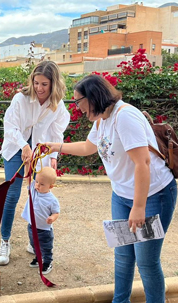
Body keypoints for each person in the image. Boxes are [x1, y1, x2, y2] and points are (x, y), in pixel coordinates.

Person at [45, 74, 177, 303]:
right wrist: (55, 147)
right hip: (122, 196)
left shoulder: (124, 117)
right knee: (124, 255)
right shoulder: (102, 119)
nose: (77, 108)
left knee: (146, 261)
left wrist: (139, 207)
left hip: (153, 196)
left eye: (78, 102)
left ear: (94, 96)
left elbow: (142, 163)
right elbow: (89, 146)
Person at [0, 61, 70, 265]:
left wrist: (54, 157)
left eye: (44, 84)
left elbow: (57, 132)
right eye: (36, 82)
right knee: (12, 194)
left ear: (53, 84)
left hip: (41, 151)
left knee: (38, 195)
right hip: (15, 148)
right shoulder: (20, 99)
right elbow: (10, 127)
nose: (39, 88)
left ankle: (35, 240)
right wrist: (23, 146)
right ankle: (5, 241)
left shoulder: (58, 104)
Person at [21, 167, 59, 275]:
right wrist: (28, 164)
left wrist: (52, 218)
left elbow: (56, 212)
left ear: (50, 186)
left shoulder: (52, 200)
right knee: (34, 244)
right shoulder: (33, 189)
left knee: (46, 247)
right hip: (32, 226)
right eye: (37, 181)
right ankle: (38, 258)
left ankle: (47, 262)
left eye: (42, 184)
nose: (37, 185)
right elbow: (28, 176)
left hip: (44, 230)